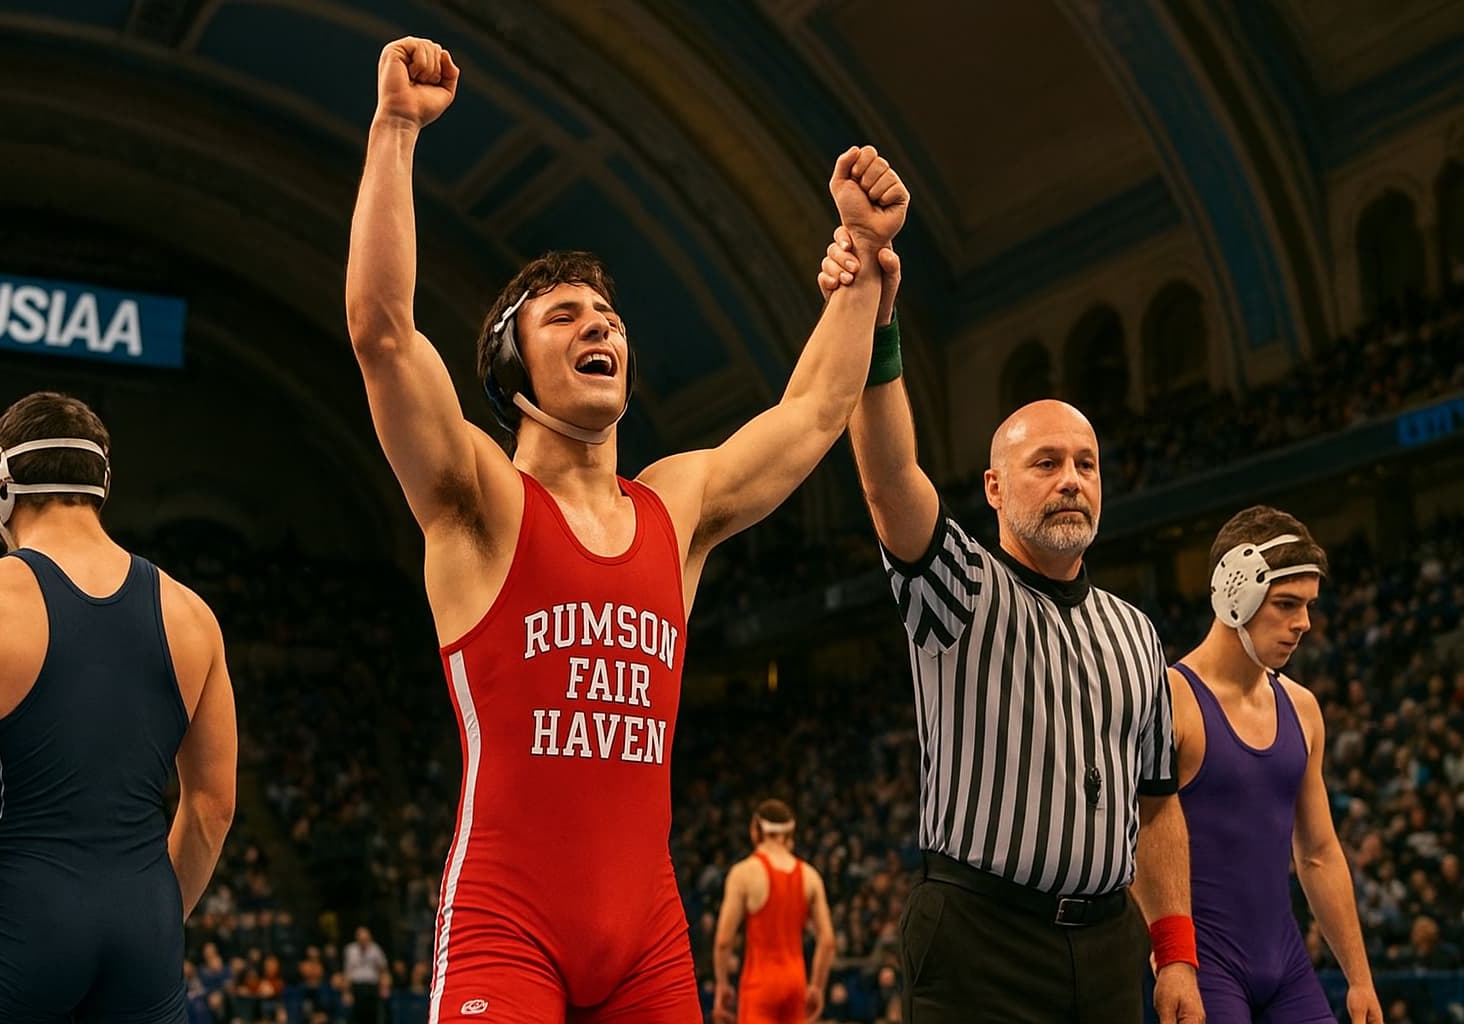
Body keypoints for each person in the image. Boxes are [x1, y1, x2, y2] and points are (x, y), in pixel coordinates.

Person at [345, 36, 908, 1024]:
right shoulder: (480, 500)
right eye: (564, 316)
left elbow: (816, 411)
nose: (599, 325)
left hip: (648, 935)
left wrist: (861, 261)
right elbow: (383, 331)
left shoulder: (674, 507)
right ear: (513, 374)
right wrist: (394, 129)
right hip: (505, 924)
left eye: (606, 315)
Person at [819, 234, 1203, 1024]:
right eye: (1047, 463)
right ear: (994, 487)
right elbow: (888, 478)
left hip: (1108, 945)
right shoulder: (958, 585)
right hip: (980, 940)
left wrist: (1174, 955)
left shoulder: (1138, 633)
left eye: (1087, 464)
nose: (1072, 480)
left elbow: (1157, 804)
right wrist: (876, 323)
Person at [0, 391, 237, 1023]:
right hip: (145, 927)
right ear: (101, 483)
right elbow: (213, 807)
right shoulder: (192, 615)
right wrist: (148, 919)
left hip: (21, 922)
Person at [1171, 506, 1383, 1023]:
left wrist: (1359, 979)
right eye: (1286, 604)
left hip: (1286, 963)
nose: (1303, 623)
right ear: (1234, 595)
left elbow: (1319, 853)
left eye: (1308, 606)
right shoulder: (1172, 702)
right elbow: (1135, 845)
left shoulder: (1303, 709)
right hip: (1202, 964)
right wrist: (1167, 960)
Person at [712, 800, 836, 1024]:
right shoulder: (810, 876)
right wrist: (817, 987)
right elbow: (827, 941)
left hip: (760, 983)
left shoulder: (744, 873)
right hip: (796, 981)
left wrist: (722, 984)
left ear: (756, 829)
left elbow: (723, 940)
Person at [345, 925, 390, 1024]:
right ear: (357, 939)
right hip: (356, 988)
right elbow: (347, 972)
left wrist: (384, 987)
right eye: (361, 939)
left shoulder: (376, 949)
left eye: (365, 939)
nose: (363, 941)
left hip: (372, 988)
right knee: (356, 1017)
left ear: (370, 938)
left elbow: (383, 970)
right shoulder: (350, 950)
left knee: (373, 1017)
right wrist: (347, 992)